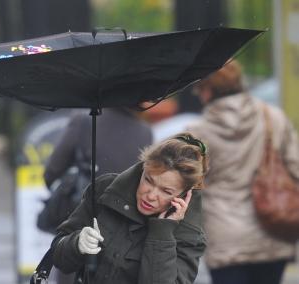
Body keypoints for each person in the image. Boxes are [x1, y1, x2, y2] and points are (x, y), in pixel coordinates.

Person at [188, 60, 299, 284]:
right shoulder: (273, 117)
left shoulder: (198, 133)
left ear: (208, 91)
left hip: (226, 237)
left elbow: (189, 184)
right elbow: (295, 166)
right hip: (273, 229)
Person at [51, 133, 209, 284]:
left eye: (166, 191)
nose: (151, 195)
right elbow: (58, 257)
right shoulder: (105, 190)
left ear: (184, 195)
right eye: (148, 180)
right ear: (143, 168)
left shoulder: (189, 234)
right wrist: (76, 243)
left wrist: (162, 232)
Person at [43, 107, 153, 284]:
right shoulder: (145, 131)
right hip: (126, 224)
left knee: (71, 268)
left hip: (81, 213)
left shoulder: (83, 120)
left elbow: (52, 170)